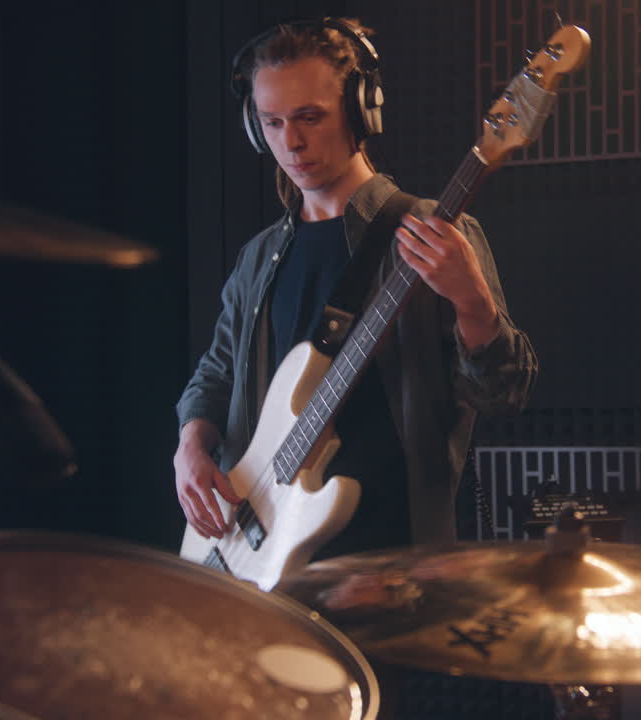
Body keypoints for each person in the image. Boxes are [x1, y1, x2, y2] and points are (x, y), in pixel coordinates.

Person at [173, 18, 536, 562]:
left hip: (391, 564)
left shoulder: (429, 232)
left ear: (361, 112)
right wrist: (190, 444)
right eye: (271, 123)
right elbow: (217, 372)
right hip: (259, 557)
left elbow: (506, 396)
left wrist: (473, 303)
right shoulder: (258, 258)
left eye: (310, 117)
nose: (290, 142)